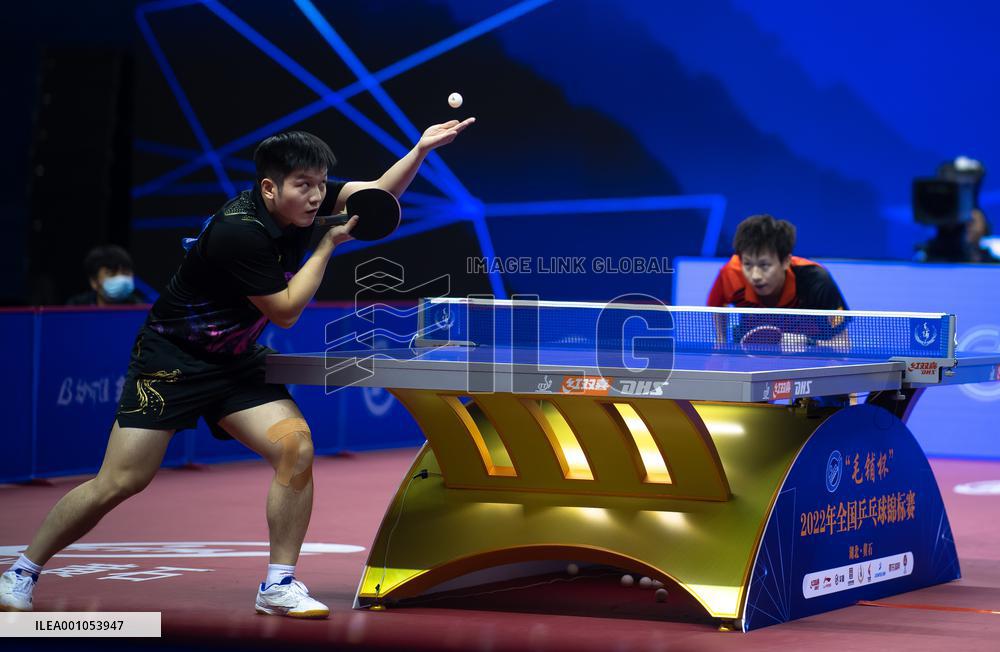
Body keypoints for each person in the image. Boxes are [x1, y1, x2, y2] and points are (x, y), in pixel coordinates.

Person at [0, 119, 474, 617]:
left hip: (236, 362)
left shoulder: (301, 200)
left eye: (320, 185)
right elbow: (287, 311)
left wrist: (419, 149)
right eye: (304, 187)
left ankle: (278, 584)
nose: (317, 197)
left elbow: (376, 197)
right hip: (172, 362)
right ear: (270, 188)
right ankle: (22, 572)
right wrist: (327, 246)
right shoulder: (238, 233)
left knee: (296, 448)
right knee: (120, 481)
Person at [707, 214, 849, 354]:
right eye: (747, 264)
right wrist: (721, 340)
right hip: (752, 359)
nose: (755, 276)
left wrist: (807, 343)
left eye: (765, 265)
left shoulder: (816, 281)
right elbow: (717, 307)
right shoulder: (731, 274)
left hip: (808, 363)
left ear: (786, 261)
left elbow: (843, 346)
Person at [65, 245, 147, 305]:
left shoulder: (140, 309)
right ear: (94, 282)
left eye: (125, 273)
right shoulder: (75, 307)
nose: (120, 279)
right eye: (111, 274)